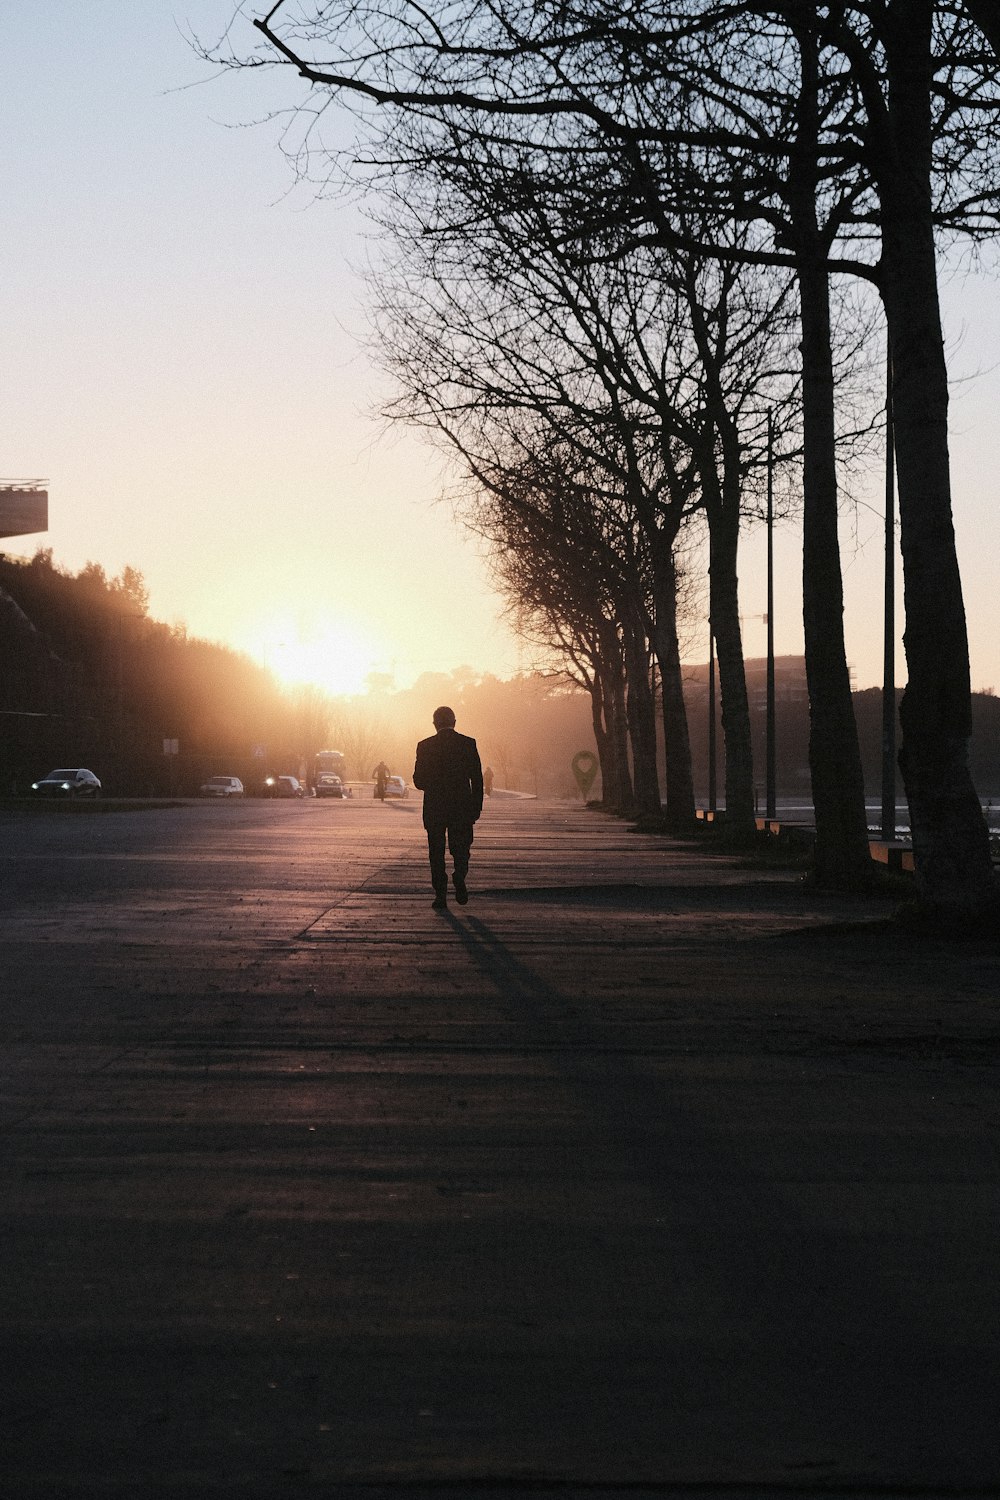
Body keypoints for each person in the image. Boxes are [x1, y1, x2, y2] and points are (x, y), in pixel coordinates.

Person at [412, 705, 484, 909]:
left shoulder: (424, 746)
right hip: (461, 808)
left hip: (434, 808)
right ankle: (459, 876)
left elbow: (419, 781)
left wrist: (434, 784)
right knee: (461, 849)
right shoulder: (468, 744)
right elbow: (477, 780)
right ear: (454, 722)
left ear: (435, 724)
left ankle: (440, 894)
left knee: (436, 851)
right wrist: (475, 808)